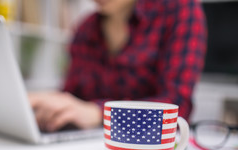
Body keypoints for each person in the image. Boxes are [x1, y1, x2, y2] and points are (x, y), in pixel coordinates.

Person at [29, 0, 206, 132]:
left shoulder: (179, 10)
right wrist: (48, 103)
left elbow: (177, 106)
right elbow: (73, 97)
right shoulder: (85, 28)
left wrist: (98, 113)